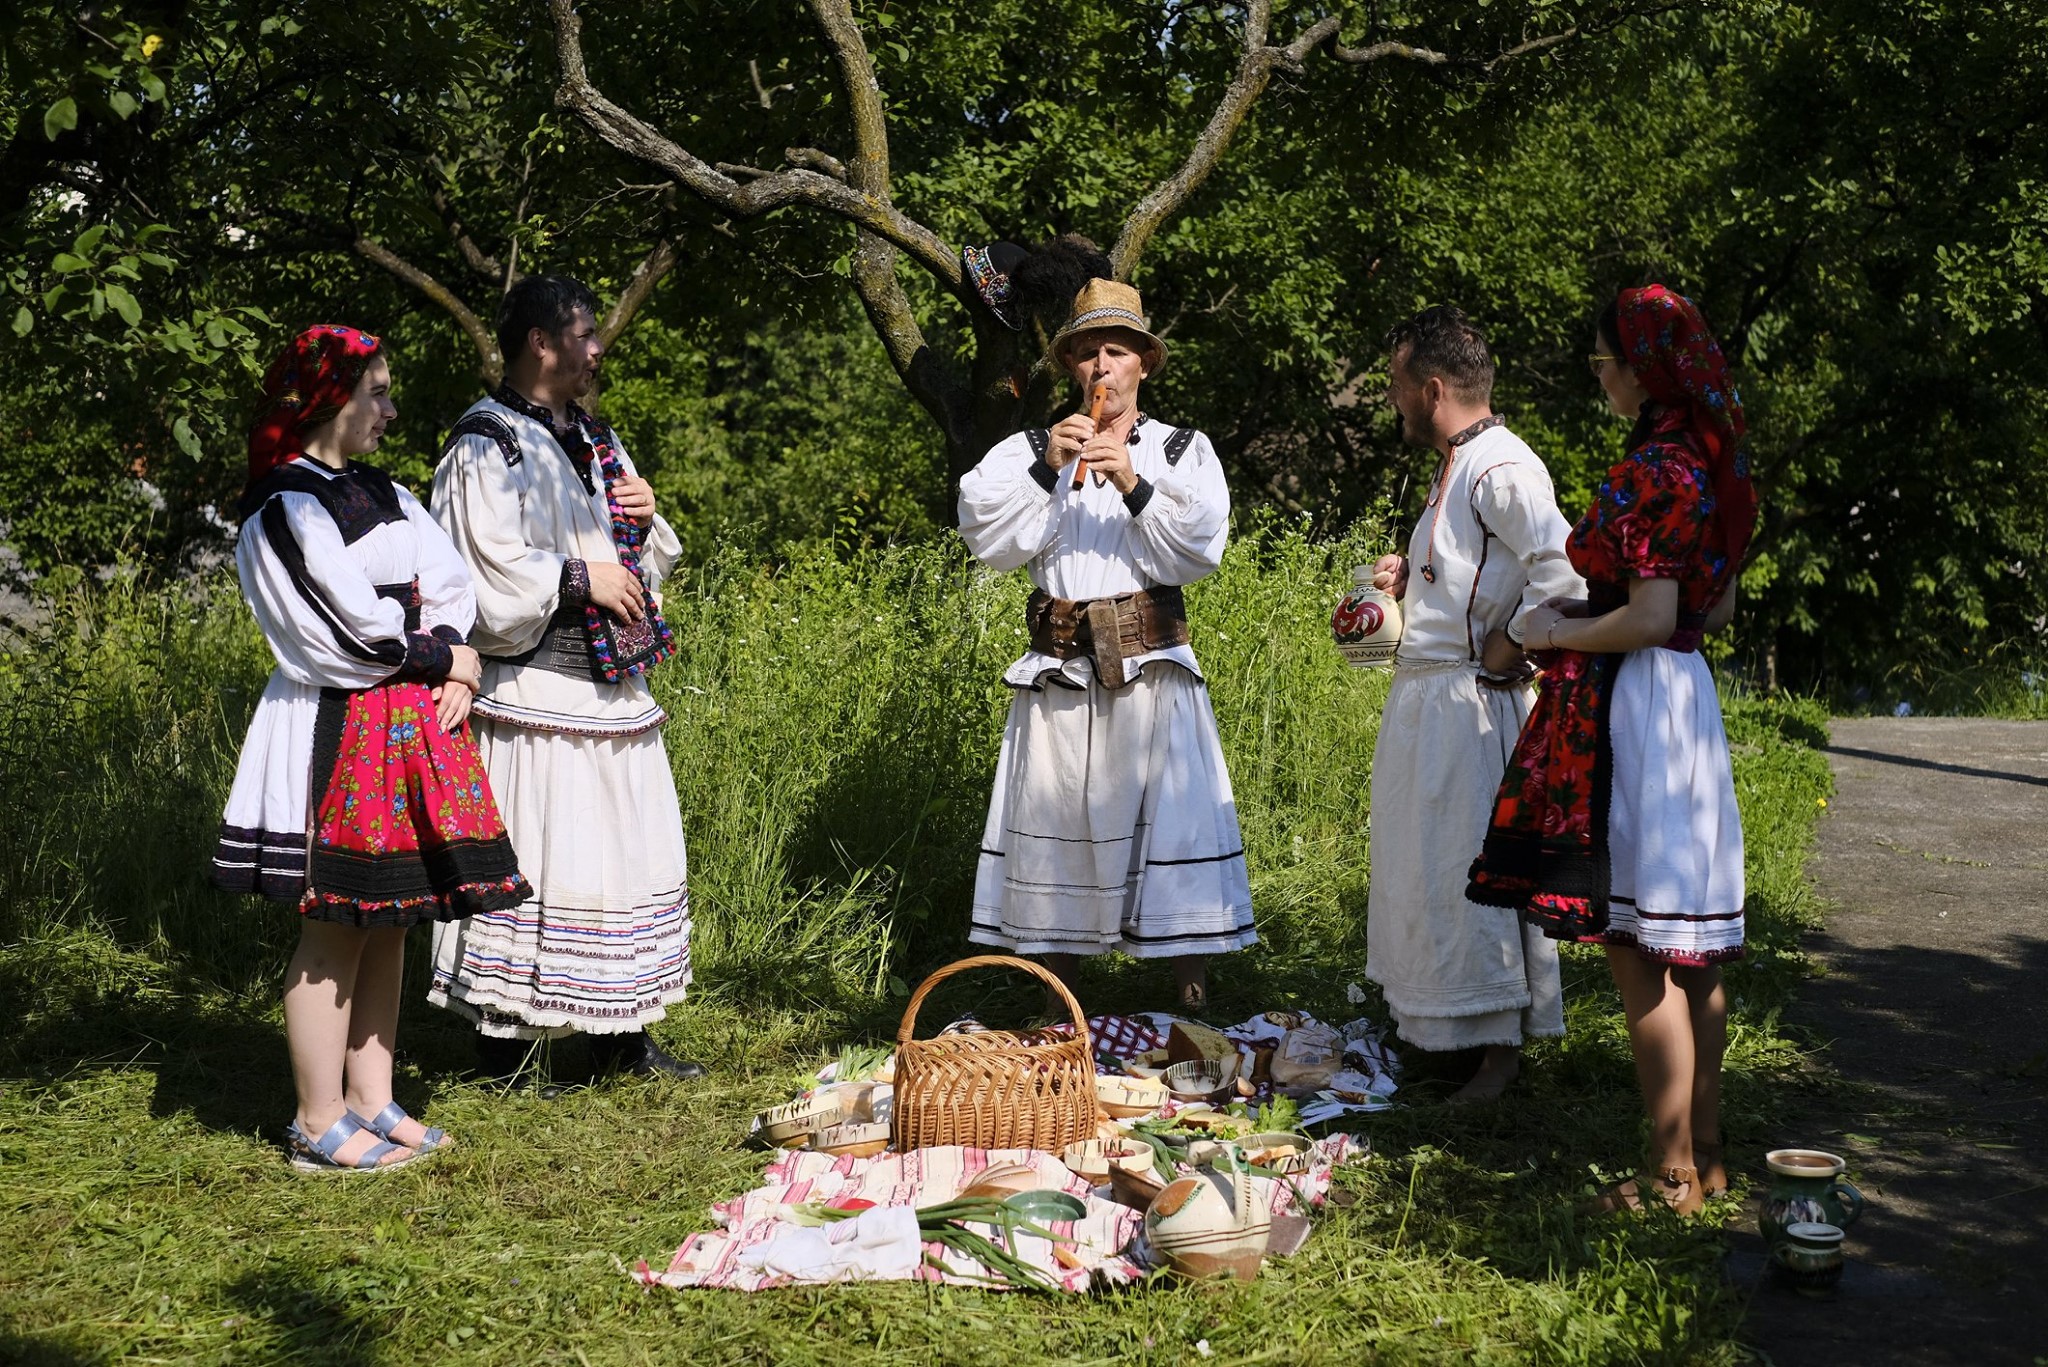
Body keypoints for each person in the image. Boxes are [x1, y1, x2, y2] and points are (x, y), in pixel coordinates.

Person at [212, 324, 530, 1171]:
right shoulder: (284, 506)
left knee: (392, 918)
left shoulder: (384, 491)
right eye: (377, 392)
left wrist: (457, 661)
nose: (391, 409)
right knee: (336, 925)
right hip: (335, 727)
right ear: (329, 401)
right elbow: (338, 629)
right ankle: (316, 1120)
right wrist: (442, 656)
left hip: (409, 722)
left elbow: (448, 577)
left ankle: (371, 1098)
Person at [1468, 284, 1758, 1213]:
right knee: (1695, 953)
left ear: (1641, 368)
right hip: (1687, 701)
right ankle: (1705, 1158)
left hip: (1635, 709)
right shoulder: (1710, 463)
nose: (1599, 379)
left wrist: (1553, 631)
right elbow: (1712, 608)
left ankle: (1668, 1172)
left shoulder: (1657, 469)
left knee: (1638, 951)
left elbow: (1650, 613)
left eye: (1603, 363)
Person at [426, 274, 703, 1084]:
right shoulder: (486, 443)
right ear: (539, 343)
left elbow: (641, 559)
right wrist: (582, 578)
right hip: (535, 699)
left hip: (611, 692)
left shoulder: (596, 436)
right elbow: (481, 574)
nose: (597, 351)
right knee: (542, 860)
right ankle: (505, 1049)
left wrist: (646, 522)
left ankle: (618, 1040)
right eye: (584, 336)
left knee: (618, 860)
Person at [958, 278, 1255, 1009]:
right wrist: (1046, 469)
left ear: (1144, 364)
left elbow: (1197, 550)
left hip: (1150, 668)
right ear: (1070, 367)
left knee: (1171, 831)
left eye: (1116, 351)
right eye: (1087, 353)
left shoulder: (1182, 450)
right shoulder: (1032, 449)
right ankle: (1063, 1004)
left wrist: (1133, 482)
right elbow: (988, 537)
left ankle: (1192, 999)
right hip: (1061, 670)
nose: (1101, 367)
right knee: (1059, 820)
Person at [1363, 305, 1585, 1101]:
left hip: (1471, 707)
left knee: (1472, 874)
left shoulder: (1501, 468)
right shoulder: (1461, 464)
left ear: (1430, 387)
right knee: (1428, 872)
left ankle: (1497, 1056)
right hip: (1432, 702)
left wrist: (1515, 643)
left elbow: (1565, 570)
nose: (1392, 398)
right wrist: (1408, 578)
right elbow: (1470, 572)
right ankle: (1441, 1031)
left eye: (1395, 384)